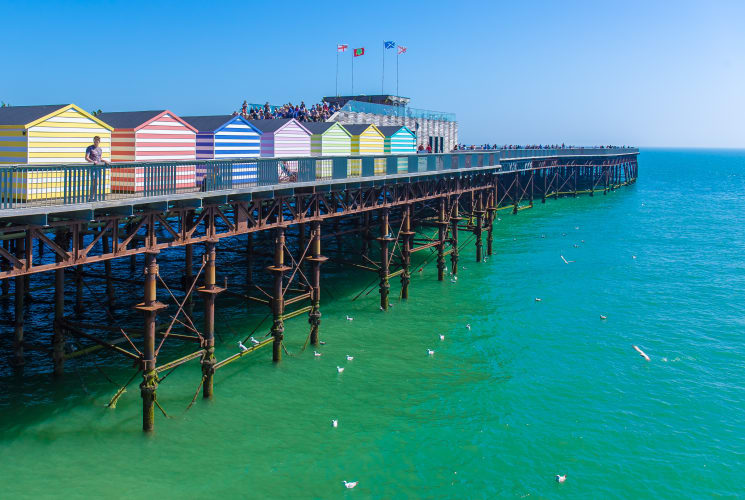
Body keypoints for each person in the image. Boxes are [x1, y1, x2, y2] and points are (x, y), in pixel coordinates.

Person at [85, 136, 109, 201]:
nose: (96, 142)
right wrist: (92, 162)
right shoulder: (90, 148)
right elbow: (86, 157)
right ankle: (91, 197)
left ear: (99, 142)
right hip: (92, 167)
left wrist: (105, 161)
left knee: (97, 182)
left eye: (97, 141)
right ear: (93, 141)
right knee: (93, 181)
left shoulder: (100, 149)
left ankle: (93, 196)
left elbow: (100, 158)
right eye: (95, 141)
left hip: (98, 168)